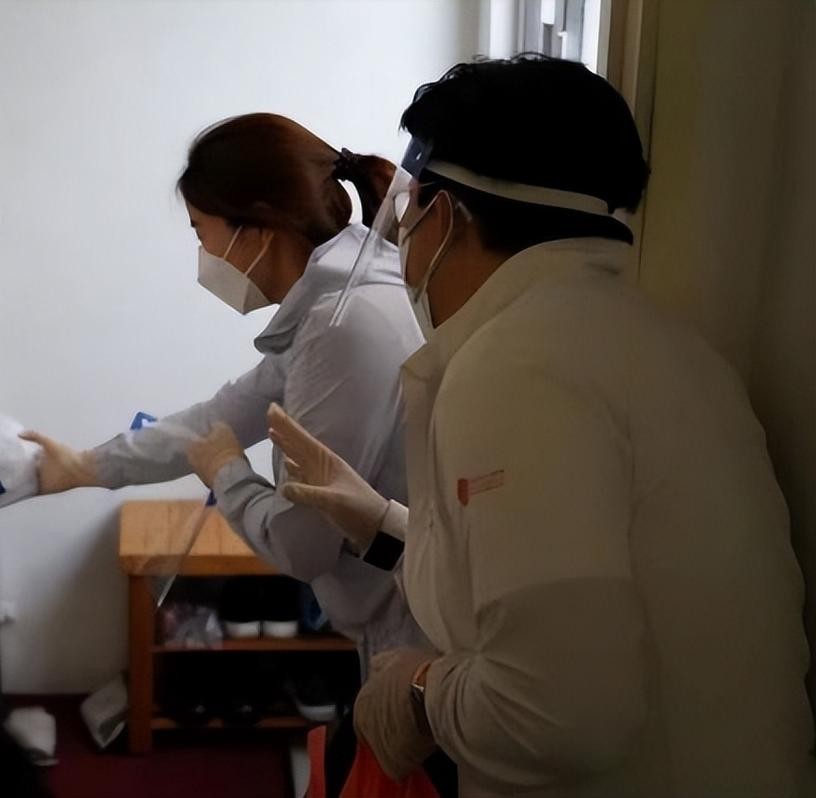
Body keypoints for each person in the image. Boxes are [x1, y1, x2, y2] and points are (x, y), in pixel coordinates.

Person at [268, 56, 814, 797]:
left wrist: (420, 693)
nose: (402, 247)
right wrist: (383, 525)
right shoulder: (652, 340)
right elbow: (561, 573)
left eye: (408, 216)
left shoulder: (519, 368)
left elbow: (558, 715)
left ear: (445, 216)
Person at [20, 113, 428, 668]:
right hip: (402, 613)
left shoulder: (342, 325)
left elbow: (300, 546)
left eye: (200, 232)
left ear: (257, 228)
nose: (205, 255)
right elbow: (217, 419)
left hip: (411, 634)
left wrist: (226, 474)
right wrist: (84, 467)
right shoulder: (340, 299)